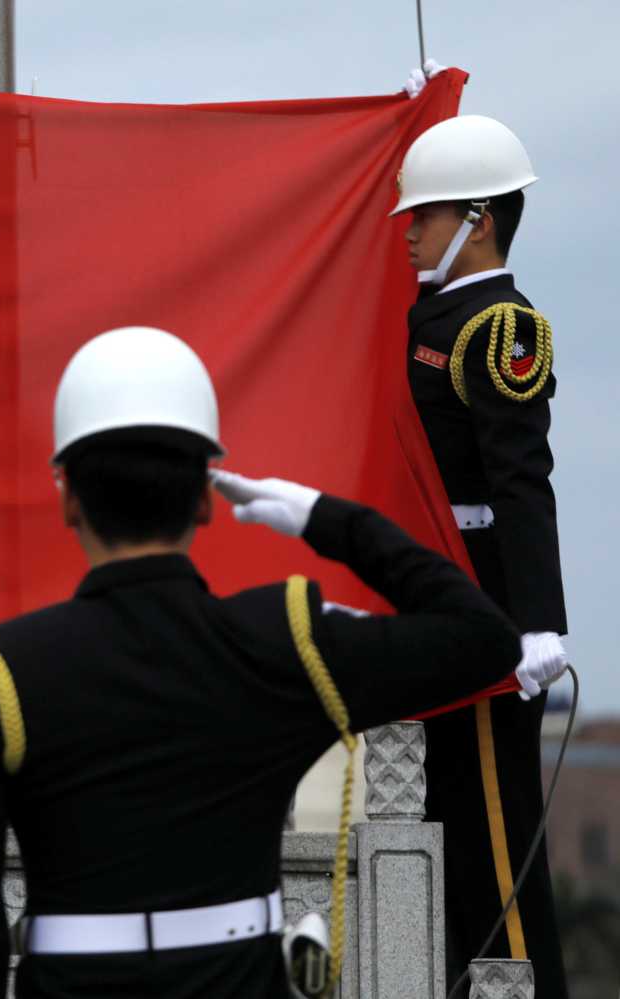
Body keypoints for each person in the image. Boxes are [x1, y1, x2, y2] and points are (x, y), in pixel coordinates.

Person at [0, 326, 521, 998]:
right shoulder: (285, 642)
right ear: (202, 496)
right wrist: (326, 518)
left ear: (68, 494)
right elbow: (483, 637)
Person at [392, 113, 570, 997]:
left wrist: (538, 623)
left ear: (478, 221)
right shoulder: (438, 309)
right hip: (437, 597)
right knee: (445, 810)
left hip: (490, 604)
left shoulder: (503, 328)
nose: (410, 230)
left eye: (424, 215)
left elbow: (521, 482)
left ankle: (519, 985)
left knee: (496, 819)